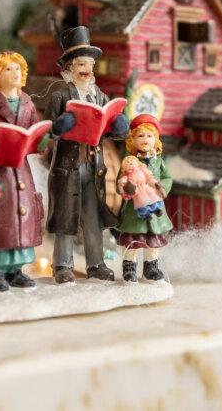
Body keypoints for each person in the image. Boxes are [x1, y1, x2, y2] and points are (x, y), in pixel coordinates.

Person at [44, 26, 128, 284]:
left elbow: (107, 126)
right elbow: (47, 132)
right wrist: (59, 127)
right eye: (81, 64)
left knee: (93, 219)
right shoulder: (60, 95)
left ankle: (96, 263)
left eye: (90, 64)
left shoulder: (100, 95)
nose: (87, 69)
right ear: (70, 68)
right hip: (68, 167)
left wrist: (117, 126)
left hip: (94, 167)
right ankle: (62, 265)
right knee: (66, 218)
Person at [0, 51, 45, 292]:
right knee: (0, 218)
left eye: (18, 69)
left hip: (21, 169)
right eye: (8, 69)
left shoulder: (28, 104)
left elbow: (34, 133)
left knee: (22, 218)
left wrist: (43, 140)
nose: (14, 74)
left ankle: (16, 270)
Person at [115, 115, 172, 282]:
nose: (145, 140)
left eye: (149, 136)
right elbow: (120, 181)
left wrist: (162, 187)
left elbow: (167, 178)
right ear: (133, 140)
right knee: (133, 241)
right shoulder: (129, 162)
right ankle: (129, 268)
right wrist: (125, 188)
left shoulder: (158, 162)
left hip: (154, 209)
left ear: (156, 140)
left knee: (152, 241)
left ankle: (151, 267)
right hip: (134, 212)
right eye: (140, 136)